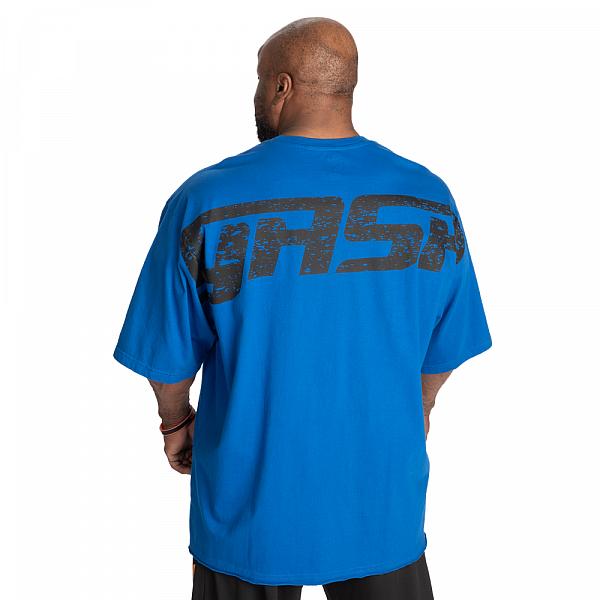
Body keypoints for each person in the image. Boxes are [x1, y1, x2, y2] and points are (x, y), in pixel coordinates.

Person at [113, 16, 492, 600]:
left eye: (259, 80)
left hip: (250, 503)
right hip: (380, 496)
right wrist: (416, 408)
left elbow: (167, 356)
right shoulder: (427, 198)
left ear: (282, 86)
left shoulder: (206, 199)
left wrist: (176, 421)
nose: (257, 95)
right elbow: (448, 342)